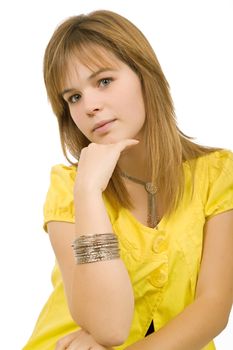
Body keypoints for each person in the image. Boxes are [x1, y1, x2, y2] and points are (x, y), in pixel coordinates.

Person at [23, 9, 233, 350]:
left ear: (144, 76)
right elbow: (108, 328)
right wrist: (89, 192)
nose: (89, 105)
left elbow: (214, 308)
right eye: (73, 97)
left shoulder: (217, 174)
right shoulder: (69, 187)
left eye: (103, 81)